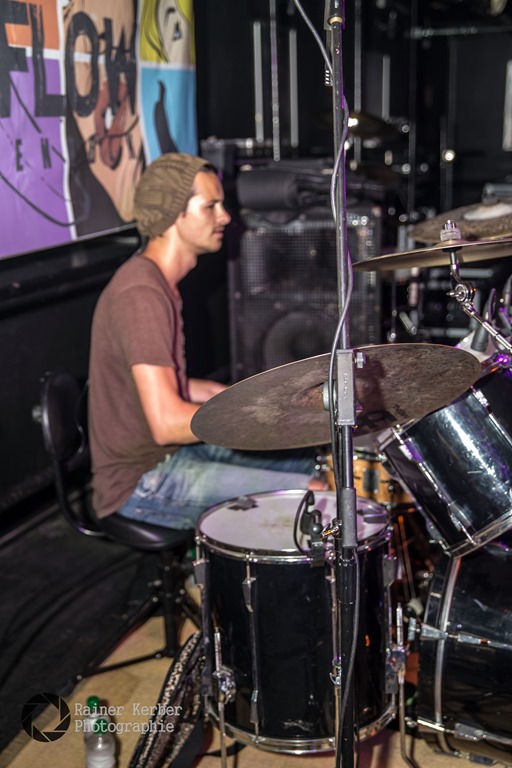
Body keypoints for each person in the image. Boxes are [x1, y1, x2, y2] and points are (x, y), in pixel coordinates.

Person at [88, 152, 324, 530]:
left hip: (167, 456)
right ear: (173, 214)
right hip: (141, 481)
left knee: (308, 461)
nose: (225, 217)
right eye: (211, 206)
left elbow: (174, 385)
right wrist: (260, 416)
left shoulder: (157, 282)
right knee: (314, 497)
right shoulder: (141, 294)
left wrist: (257, 398)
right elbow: (167, 424)